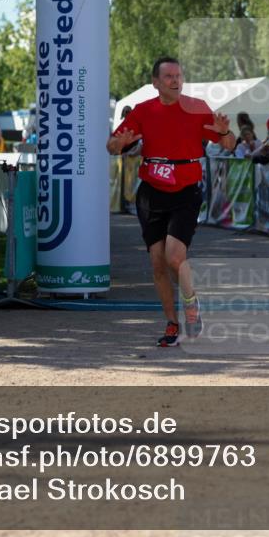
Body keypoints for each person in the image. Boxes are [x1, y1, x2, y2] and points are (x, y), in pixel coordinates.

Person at [107, 57, 235, 347]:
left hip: (185, 190)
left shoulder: (197, 108)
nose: (175, 80)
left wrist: (224, 131)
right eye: (168, 76)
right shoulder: (142, 111)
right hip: (151, 192)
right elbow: (112, 146)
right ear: (155, 82)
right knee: (157, 265)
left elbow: (229, 145)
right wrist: (120, 142)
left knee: (175, 257)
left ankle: (191, 307)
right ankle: (172, 323)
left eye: (178, 75)